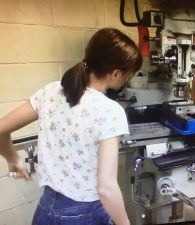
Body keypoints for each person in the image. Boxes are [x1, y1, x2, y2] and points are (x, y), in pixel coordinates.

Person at [0, 27, 142, 225]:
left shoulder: (50, 91)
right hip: (84, 215)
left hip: (46, 209)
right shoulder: (111, 111)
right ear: (117, 74)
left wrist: (12, 157)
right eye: (129, 74)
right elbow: (106, 188)